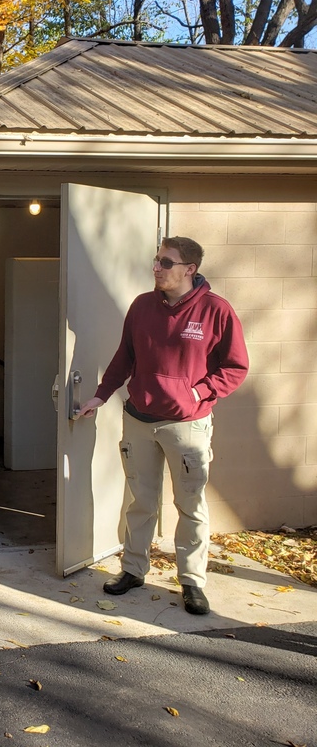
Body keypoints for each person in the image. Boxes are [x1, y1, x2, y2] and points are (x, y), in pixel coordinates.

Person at [78, 237, 248, 616]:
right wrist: (100, 396)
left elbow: (235, 367)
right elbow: (125, 356)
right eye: (156, 260)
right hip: (139, 420)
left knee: (190, 506)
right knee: (140, 502)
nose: (156, 267)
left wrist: (197, 392)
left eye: (166, 262)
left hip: (187, 426)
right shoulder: (141, 306)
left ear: (189, 269)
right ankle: (133, 570)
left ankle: (192, 582)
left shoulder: (215, 311)